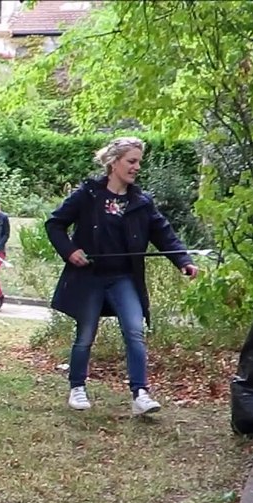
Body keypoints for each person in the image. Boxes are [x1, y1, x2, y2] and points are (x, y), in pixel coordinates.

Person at [44, 136, 198, 415]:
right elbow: (55, 224)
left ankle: (140, 394)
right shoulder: (88, 195)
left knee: (134, 330)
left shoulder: (141, 202)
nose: (137, 167)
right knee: (86, 334)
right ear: (114, 163)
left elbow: (164, 234)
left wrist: (183, 261)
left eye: (139, 161)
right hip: (89, 277)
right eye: (131, 161)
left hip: (124, 277)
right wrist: (70, 251)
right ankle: (77, 387)